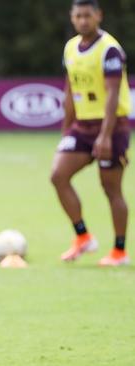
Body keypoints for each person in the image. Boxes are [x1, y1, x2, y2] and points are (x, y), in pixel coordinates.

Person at [51, 0, 131, 266]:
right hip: (82, 127)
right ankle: (83, 236)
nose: (83, 20)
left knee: (111, 189)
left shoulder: (109, 50)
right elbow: (69, 90)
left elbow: (111, 95)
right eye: (78, 16)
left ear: (99, 16)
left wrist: (106, 136)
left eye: (88, 15)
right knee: (58, 176)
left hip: (112, 126)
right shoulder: (70, 47)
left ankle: (119, 251)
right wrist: (66, 129)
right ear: (72, 18)